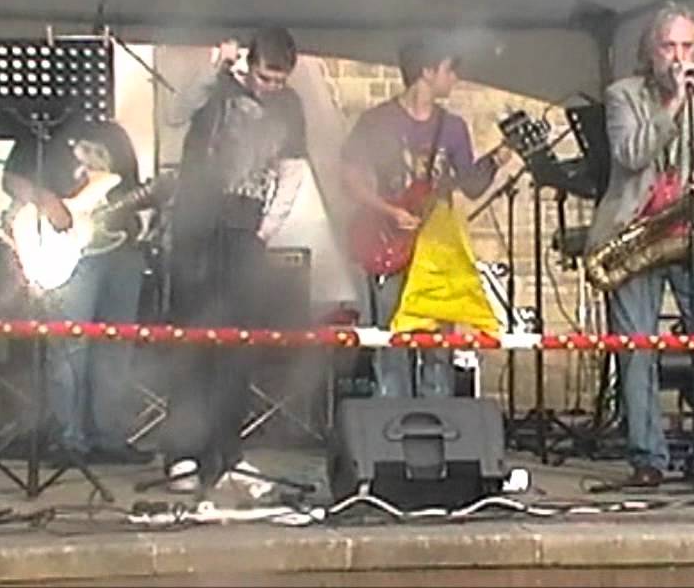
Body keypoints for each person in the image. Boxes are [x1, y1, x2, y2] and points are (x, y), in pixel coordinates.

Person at [585, 2, 694, 491]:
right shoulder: (623, 96)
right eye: (669, 47)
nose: (679, 58)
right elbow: (632, 154)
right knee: (637, 349)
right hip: (637, 231)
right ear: (651, 52)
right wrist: (672, 105)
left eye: (687, 47)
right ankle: (647, 456)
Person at [158, 26, 308, 494]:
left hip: (246, 230)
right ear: (249, 64)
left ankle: (227, 454)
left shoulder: (290, 109)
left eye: (279, 81)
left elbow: (292, 171)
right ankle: (182, 454)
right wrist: (212, 69)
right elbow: (174, 114)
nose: (270, 88)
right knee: (191, 339)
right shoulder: (217, 86)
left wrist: (265, 230)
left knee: (237, 344)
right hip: (196, 226)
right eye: (264, 77)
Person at [340, 33, 508, 398]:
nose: (455, 78)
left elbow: (471, 185)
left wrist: (499, 157)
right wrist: (388, 210)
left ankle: (437, 429)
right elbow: (349, 177)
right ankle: (392, 428)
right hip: (389, 244)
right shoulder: (376, 122)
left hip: (437, 250)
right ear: (427, 72)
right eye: (450, 70)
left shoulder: (454, 127)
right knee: (391, 342)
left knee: (438, 348)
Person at [0, 109, 150, 465]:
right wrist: (48, 200)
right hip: (69, 253)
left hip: (119, 250)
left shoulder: (115, 134)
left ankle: (109, 437)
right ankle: (68, 438)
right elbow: (11, 179)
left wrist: (149, 204)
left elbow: (126, 190)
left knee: (116, 348)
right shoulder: (40, 127)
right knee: (69, 348)